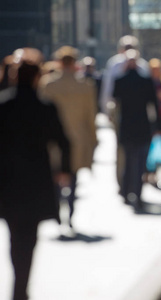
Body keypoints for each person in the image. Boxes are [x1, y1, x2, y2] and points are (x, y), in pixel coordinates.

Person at [0, 48, 71, 300]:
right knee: (28, 237)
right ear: (36, 77)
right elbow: (63, 141)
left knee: (14, 233)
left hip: (7, 181)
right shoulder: (45, 107)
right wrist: (64, 170)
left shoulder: (4, 106)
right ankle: (21, 287)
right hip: (35, 181)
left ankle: (19, 285)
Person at [39, 46, 98, 229]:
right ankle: (70, 213)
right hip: (78, 138)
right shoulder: (85, 86)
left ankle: (57, 211)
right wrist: (93, 139)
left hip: (53, 140)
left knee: (56, 175)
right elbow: (91, 116)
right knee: (73, 177)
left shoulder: (48, 84)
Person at [112, 49, 160, 212]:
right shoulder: (145, 81)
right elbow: (154, 103)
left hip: (127, 127)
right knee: (139, 163)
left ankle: (126, 192)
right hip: (141, 127)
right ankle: (137, 194)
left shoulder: (121, 80)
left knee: (128, 161)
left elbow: (114, 98)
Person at [99, 35, 150, 116]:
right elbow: (108, 86)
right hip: (121, 104)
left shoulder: (142, 64)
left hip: (137, 104)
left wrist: (106, 108)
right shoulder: (114, 63)